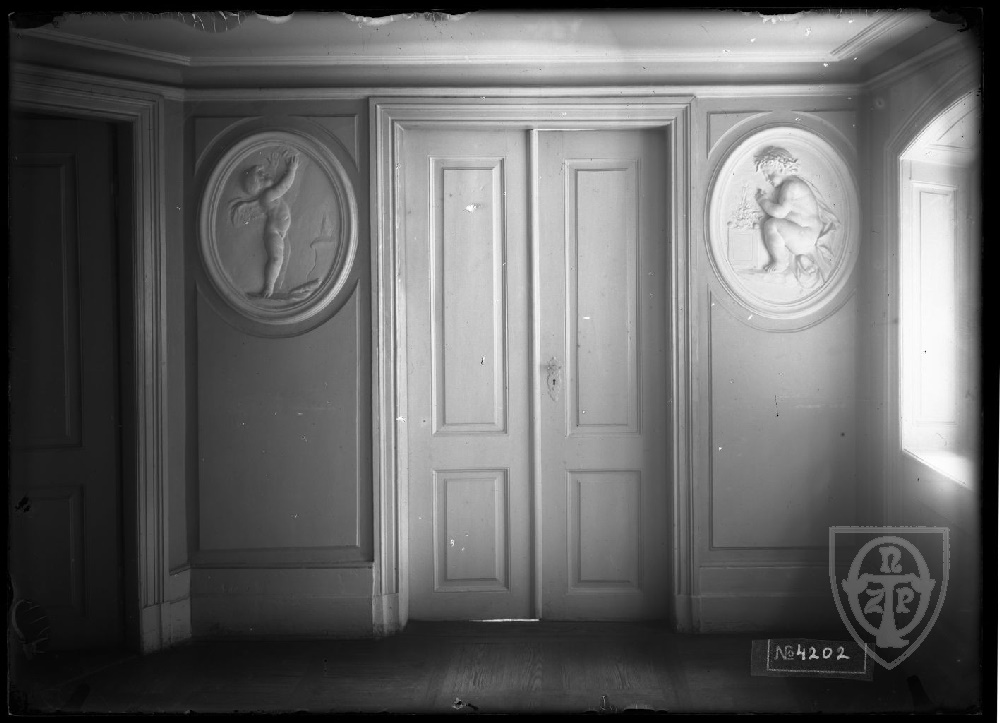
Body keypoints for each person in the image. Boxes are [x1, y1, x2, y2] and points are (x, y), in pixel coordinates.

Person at [753, 146, 837, 278]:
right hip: (806, 234)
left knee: (771, 225)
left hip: (805, 236)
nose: (767, 179)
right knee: (775, 224)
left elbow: (780, 213)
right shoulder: (795, 183)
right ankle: (803, 260)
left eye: (769, 175)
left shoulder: (791, 186)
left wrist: (763, 202)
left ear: (781, 169)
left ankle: (781, 262)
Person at [230, 151, 301, 298]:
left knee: (282, 258)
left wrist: (274, 165)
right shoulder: (268, 196)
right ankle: (269, 286)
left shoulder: (267, 193)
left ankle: (277, 285)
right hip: (273, 233)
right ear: (258, 186)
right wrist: (292, 170)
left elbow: (273, 182)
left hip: (279, 232)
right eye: (262, 176)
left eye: (264, 173)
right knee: (276, 259)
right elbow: (283, 187)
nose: (267, 175)